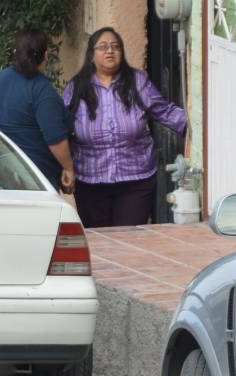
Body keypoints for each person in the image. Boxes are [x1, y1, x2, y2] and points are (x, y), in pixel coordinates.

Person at [63, 27, 188, 228]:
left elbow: (165, 112)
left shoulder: (138, 81)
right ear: (91, 55)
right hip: (91, 182)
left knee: (130, 237)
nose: (109, 51)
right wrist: (65, 167)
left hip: (136, 181)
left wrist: (199, 128)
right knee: (99, 242)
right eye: (102, 47)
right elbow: (62, 129)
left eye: (115, 46)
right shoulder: (77, 87)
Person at [0, 28, 75, 193]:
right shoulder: (42, 90)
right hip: (35, 179)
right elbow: (55, 139)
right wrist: (68, 168)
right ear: (45, 55)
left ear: (16, 52)